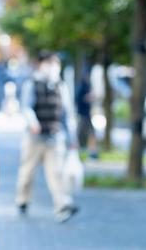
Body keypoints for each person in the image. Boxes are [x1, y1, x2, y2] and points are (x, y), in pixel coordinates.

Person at [16, 51, 79, 223]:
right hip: (34, 138)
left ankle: (63, 205)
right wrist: (33, 122)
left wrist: (72, 139)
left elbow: (67, 113)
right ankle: (23, 200)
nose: (53, 67)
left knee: (57, 174)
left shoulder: (61, 86)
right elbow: (26, 106)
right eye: (49, 63)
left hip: (54, 137)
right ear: (41, 64)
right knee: (27, 172)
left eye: (55, 64)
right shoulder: (32, 83)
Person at [75, 67, 98, 158]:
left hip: (86, 114)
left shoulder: (87, 86)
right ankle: (76, 150)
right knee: (80, 133)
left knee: (90, 133)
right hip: (83, 114)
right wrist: (90, 97)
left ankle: (92, 151)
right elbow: (80, 99)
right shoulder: (82, 87)